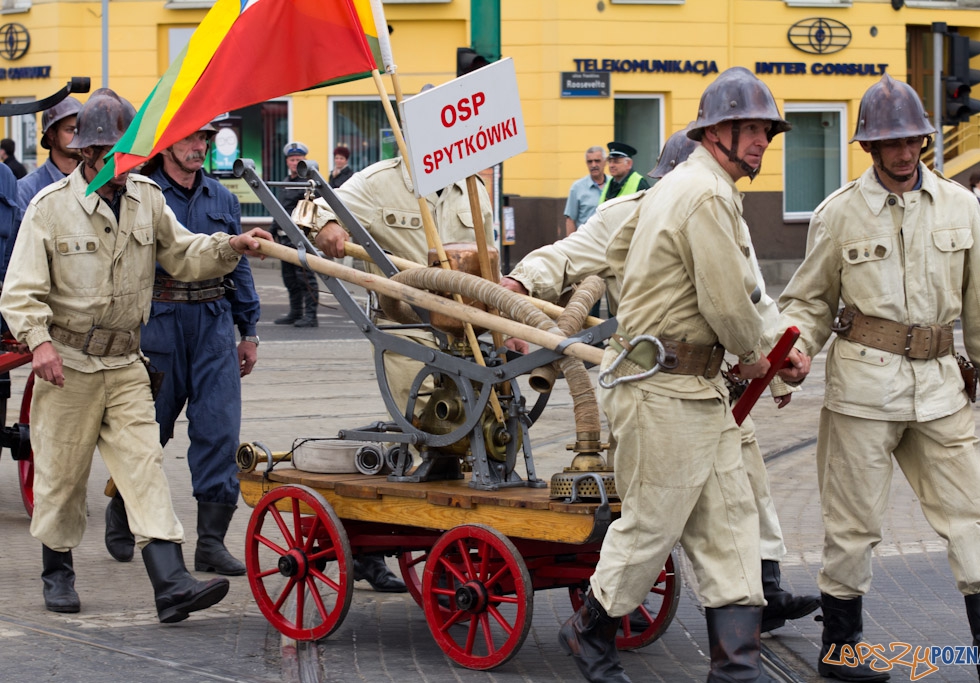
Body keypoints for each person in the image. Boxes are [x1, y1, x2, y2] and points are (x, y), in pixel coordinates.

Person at [502, 126, 819, 636]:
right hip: (658, 381)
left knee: (741, 497)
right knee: (657, 513)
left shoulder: (720, 210)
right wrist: (518, 284)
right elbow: (564, 254)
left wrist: (784, 364)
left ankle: (763, 596)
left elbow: (754, 299)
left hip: (717, 385)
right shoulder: (633, 212)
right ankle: (593, 632)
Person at [557, 67, 807, 683]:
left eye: (766, 132)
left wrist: (764, 350)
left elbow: (731, 295)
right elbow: (728, 304)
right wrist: (761, 358)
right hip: (664, 387)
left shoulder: (698, 188)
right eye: (749, 129)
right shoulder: (704, 194)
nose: (760, 142)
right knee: (652, 523)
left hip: (691, 388)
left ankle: (736, 667)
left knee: (729, 524)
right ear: (714, 131)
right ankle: (589, 631)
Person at [777, 73, 980, 683]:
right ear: (869, 147)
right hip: (862, 393)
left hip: (940, 390)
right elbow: (807, 303)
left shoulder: (961, 206)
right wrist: (788, 361)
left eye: (912, 139)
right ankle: (842, 651)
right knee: (852, 524)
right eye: (891, 142)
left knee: (973, 515)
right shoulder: (837, 215)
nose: (905, 151)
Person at [0, 88, 272, 622]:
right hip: (69, 367)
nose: (117, 164)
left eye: (125, 153)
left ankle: (171, 584)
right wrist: (41, 343)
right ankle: (57, 570)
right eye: (107, 154)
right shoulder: (49, 209)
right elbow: (20, 291)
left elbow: (184, 252)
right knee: (62, 475)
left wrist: (227, 247)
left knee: (145, 466)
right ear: (85, 155)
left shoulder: (149, 198)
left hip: (127, 364)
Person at [308, 155, 495, 593]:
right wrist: (326, 227)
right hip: (406, 328)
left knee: (490, 423)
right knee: (432, 424)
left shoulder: (473, 186)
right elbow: (316, 207)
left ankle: (460, 528)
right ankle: (422, 542)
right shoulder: (379, 182)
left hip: (469, 331)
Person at [102, 123, 260, 577]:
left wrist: (248, 331)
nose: (200, 147)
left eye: (205, 140)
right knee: (148, 433)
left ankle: (210, 543)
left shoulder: (222, 198)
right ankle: (121, 509)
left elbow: (239, 266)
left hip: (213, 326)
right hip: (159, 324)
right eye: (192, 138)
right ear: (167, 142)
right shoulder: (141, 195)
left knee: (219, 432)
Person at [272, 141, 319, 328]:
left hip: (300, 236)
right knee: (289, 277)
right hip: (284, 237)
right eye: (292, 160)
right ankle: (296, 312)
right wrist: (272, 231)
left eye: (298, 160)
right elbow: (280, 210)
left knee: (305, 277)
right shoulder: (286, 182)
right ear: (287, 161)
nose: (294, 163)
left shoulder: (308, 183)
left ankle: (310, 315)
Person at [18, 97, 83, 210]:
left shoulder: (93, 180)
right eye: (70, 130)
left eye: (80, 129)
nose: (77, 136)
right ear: (51, 134)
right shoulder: (28, 188)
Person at [564, 146, 607, 235]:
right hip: (586, 240)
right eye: (590, 162)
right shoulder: (577, 187)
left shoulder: (613, 184)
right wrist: (571, 245)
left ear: (605, 162)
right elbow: (570, 220)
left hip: (608, 240)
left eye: (597, 161)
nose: (593, 165)